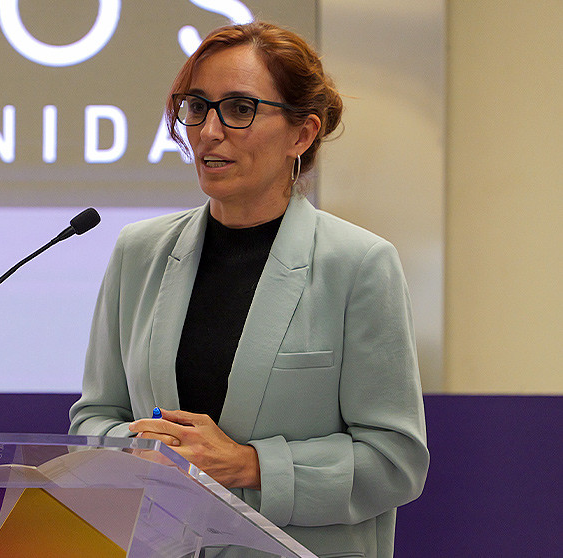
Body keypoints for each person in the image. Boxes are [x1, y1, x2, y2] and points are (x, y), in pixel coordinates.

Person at [68, 22, 429, 558]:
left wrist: (251, 465)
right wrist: (140, 449)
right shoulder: (138, 252)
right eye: (197, 107)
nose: (208, 132)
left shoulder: (359, 264)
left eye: (239, 109)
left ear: (302, 135)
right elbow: (95, 417)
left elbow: (394, 461)